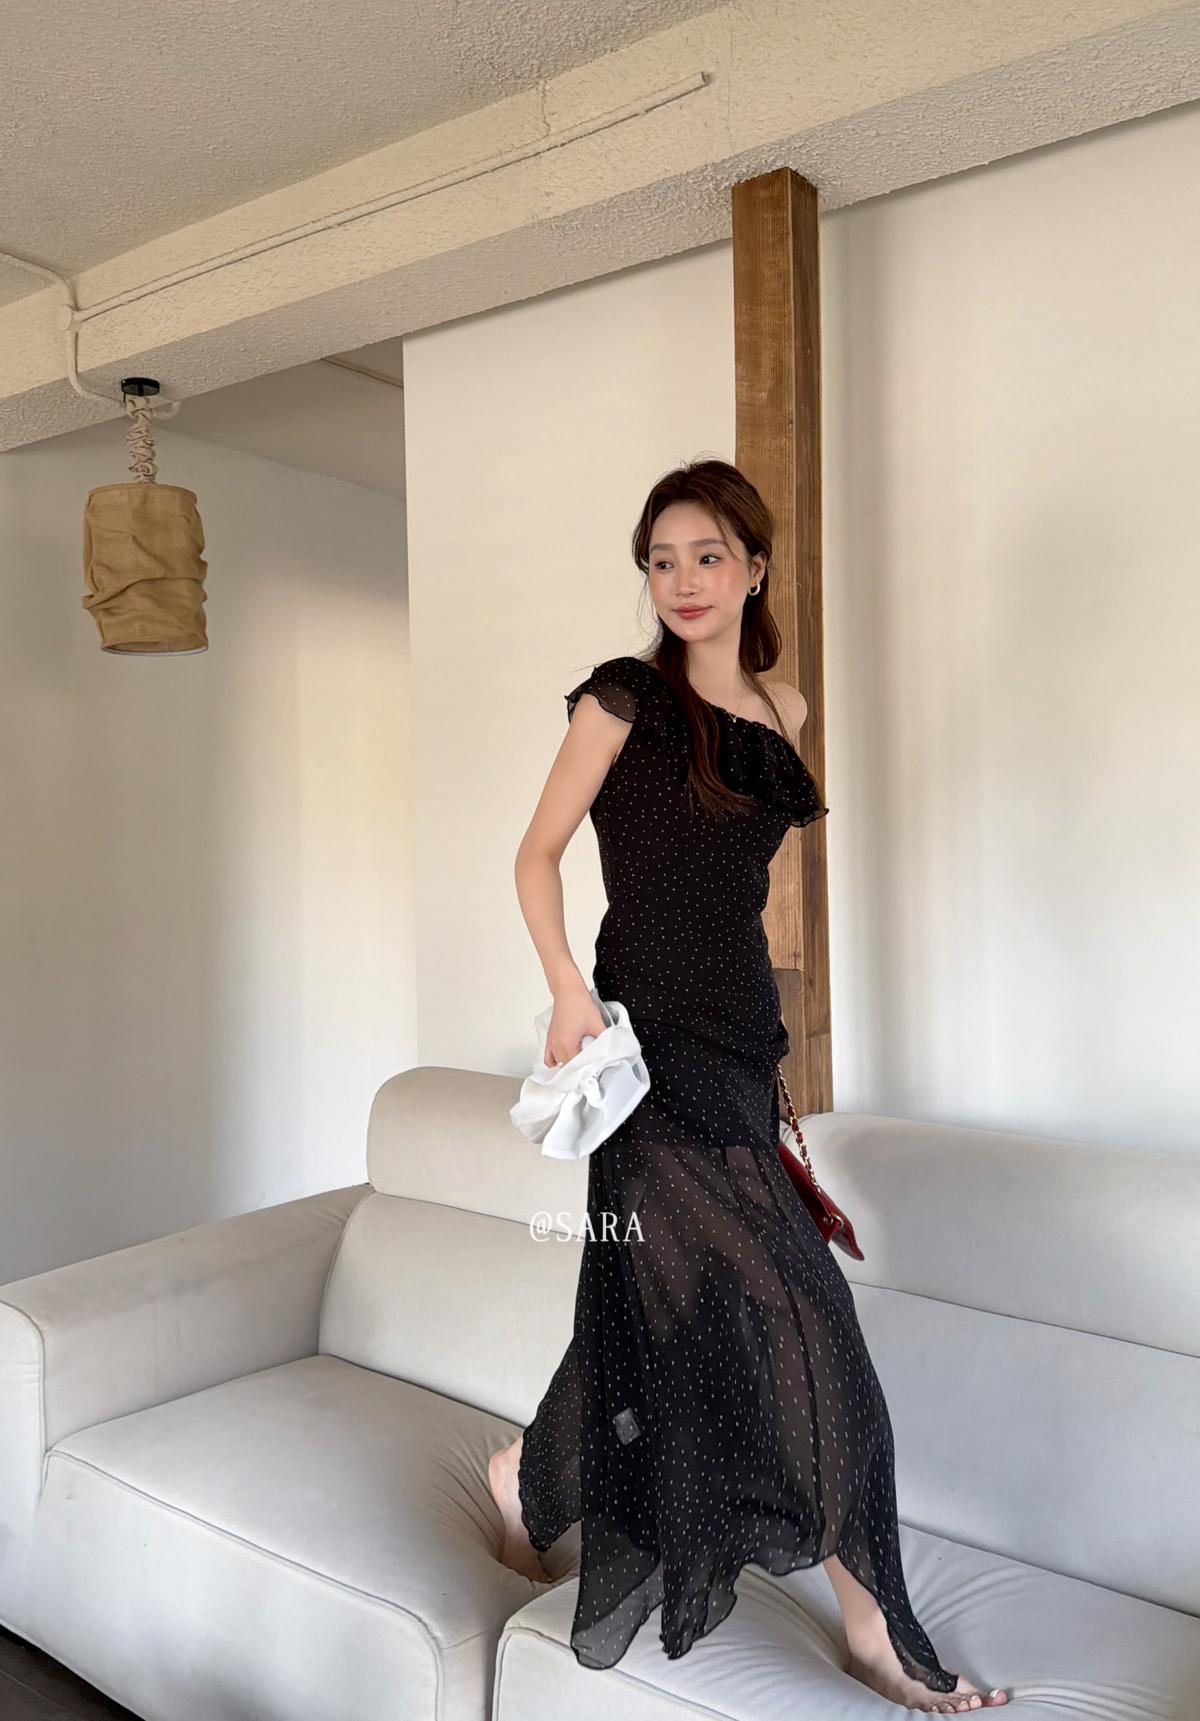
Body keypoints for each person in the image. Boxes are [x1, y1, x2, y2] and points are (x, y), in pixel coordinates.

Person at [488, 459, 1010, 1713]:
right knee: (802, 1326)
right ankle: (875, 1628)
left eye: (707, 555)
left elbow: (733, 894)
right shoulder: (622, 700)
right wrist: (564, 988)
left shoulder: (786, 708)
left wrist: (764, 1062)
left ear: (755, 567)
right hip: (643, 1064)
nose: (682, 581)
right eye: (661, 559)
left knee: (673, 1315)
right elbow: (536, 853)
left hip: (736, 1052)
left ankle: (525, 1474)